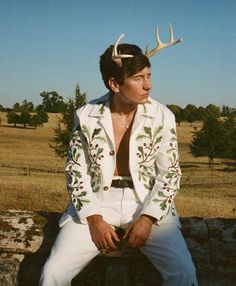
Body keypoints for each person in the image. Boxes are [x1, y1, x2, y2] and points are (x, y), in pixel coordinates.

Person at [39, 25, 198, 286]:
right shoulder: (85, 115)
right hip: (97, 203)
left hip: (146, 202)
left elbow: (170, 173)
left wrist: (148, 219)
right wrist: (93, 219)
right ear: (114, 84)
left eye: (149, 75)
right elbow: (75, 170)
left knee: (184, 273)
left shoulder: (162, 116)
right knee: (53, 272)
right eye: (138, 78)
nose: (149, 85)